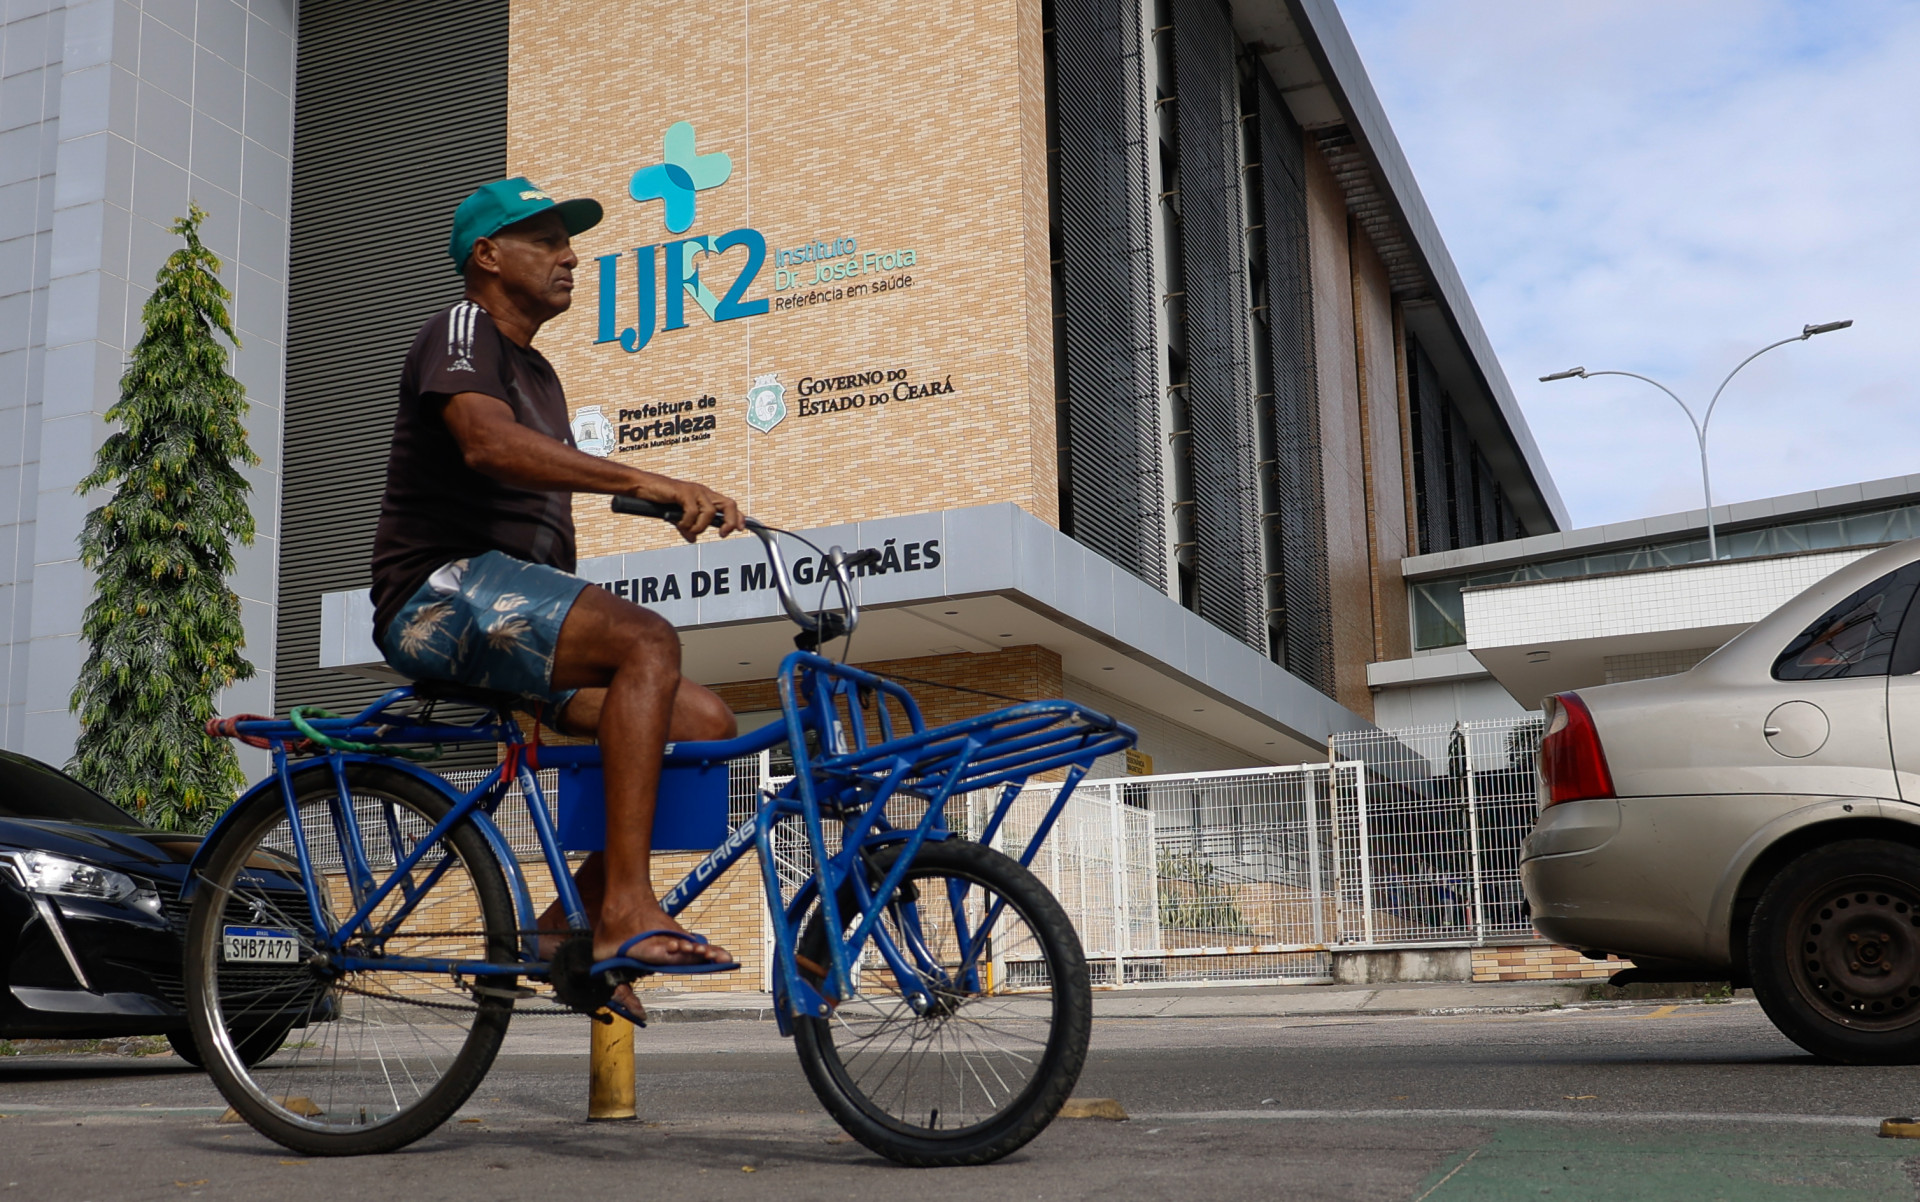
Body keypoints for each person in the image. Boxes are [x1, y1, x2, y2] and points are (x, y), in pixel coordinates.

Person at [369, 178, 743, 1014]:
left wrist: (666, 499)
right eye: (545, 240)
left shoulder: (541, 373)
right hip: (435, 591)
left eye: (569, 242)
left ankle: (560, 926)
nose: (571, 255)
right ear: (488, 256)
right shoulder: (459, 329)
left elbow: (541, 487)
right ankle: (622, 911)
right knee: (648, 639)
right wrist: (649, 471)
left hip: (507, 609)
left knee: (704, 721)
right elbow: (487, 445)